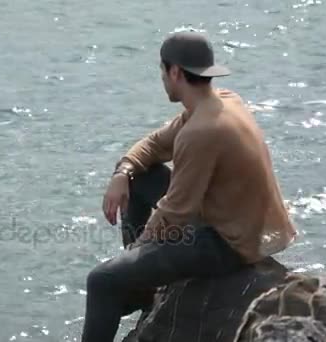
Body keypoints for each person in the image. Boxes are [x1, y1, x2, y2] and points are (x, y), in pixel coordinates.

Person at [80, 31, 297, 342]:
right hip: (233, 218)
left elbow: (175, 213)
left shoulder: (202, 131)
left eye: (161, 71)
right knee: (140, 177)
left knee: (102, 281)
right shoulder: (222, 101)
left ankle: (138, 284)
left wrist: (135, 258)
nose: (161, 79)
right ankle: (145, 289)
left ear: (175, 72)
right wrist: (123, 172)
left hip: (229, 242)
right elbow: (154, 144)